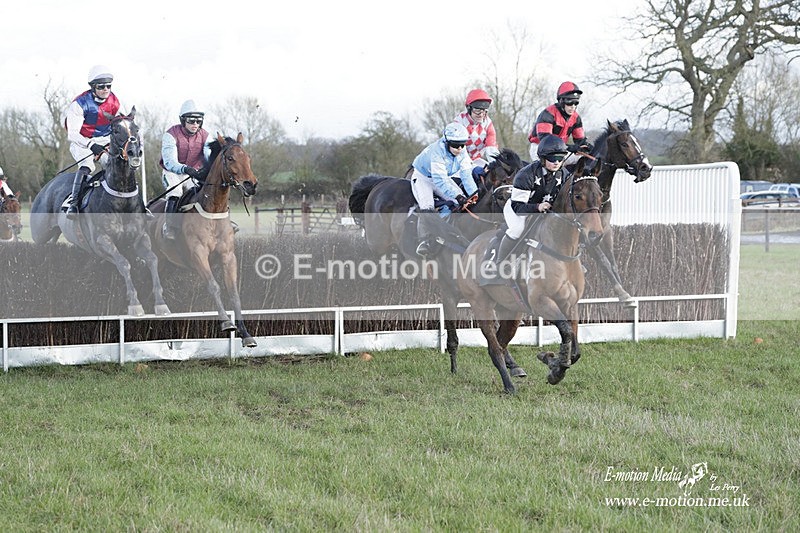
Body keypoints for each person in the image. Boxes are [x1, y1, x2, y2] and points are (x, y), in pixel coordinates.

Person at [494, 135, 571, 264]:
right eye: (552, 158)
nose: (557, 162)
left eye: (560, 158)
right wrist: (538, 207)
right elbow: (518, 208)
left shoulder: (564, 174)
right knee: (517, 229)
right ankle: (501, 263)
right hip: (518, 207)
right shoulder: (525, 175)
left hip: (545, 209)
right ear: (542, 158)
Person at [64, 65, 128, 219]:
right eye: (101, 86)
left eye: (108, 86)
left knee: (116, 165)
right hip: (82, 141)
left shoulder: (115, 101)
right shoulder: (79, 104)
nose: (106, 89)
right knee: (87, 165)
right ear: (93, 87)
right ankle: (73, 203)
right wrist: (92, 145)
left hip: (104, 140)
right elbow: (72, 134)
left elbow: (124, 122)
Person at [410, 122, 479, 256]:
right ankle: (425, 241)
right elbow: (439, 180)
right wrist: (458, 196)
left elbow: (466, 175)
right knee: (427, 207)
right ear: (446, 142)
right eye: (455, 145)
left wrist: (474, 194)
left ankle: (450, 230)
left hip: (442, 178)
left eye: (462, 144)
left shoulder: (462, 151)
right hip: (423, 178)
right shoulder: (437, 151)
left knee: (459, 202)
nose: (459, 148)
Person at [160, 100, 211, 239]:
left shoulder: (206, 136)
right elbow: (170, 162)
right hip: (172, 172)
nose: (195, 124)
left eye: (198, 121)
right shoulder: (171, 134)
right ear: (183, 120)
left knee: (202, 194)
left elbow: (208, 157)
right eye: (191, 120)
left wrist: (205, 170)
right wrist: (185, 168)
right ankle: (169, 227)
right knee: (176, 192)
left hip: (192, 174)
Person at [527, 81, 592, 165]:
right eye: (570, 102)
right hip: (540, 147)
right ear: (561, 101)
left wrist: (586, 147)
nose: (573, 106)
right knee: (552, 166)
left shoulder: (576, 118)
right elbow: (546, 140)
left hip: (561, 150)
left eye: (576, 103)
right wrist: (569, 147)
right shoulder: (547, 114)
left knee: (584, 160)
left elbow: (580, 140)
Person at [452, 89, 500, 175]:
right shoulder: (459, 122)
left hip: (476, 160)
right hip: (456, 162)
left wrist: (498, 165)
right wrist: (472, 167)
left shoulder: (488, 123)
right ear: (469, 108)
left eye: (484, 111)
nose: (481, 115)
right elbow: (459, 153)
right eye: (477, 111)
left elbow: (491, 149)